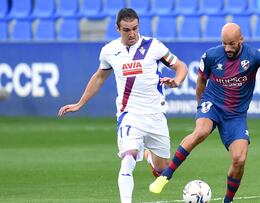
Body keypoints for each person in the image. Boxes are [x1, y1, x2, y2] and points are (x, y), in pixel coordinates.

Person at [149, 23, 260, 202]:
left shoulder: (255, 55)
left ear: (241, 40)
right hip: (212, 104)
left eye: (232, 43)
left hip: (236, 115)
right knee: (201, 131)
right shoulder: (211, 56)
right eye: (224, 43)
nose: (227, 48)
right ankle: (165, 176)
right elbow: (201, 81)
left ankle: (228, 201)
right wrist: (200, 108)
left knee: (239, 159)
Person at [58, 8, 188, 203]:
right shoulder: (109, 51)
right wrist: (80, 103)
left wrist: (177, 80)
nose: (132, 34)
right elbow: (100, 77)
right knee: (127, 159)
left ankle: (147, 154)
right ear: (117, 29)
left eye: (135, 28)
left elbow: (181, 66)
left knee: (162, 169)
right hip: (129, 114)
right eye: (126, 30)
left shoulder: (154, 46)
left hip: (155, 114)